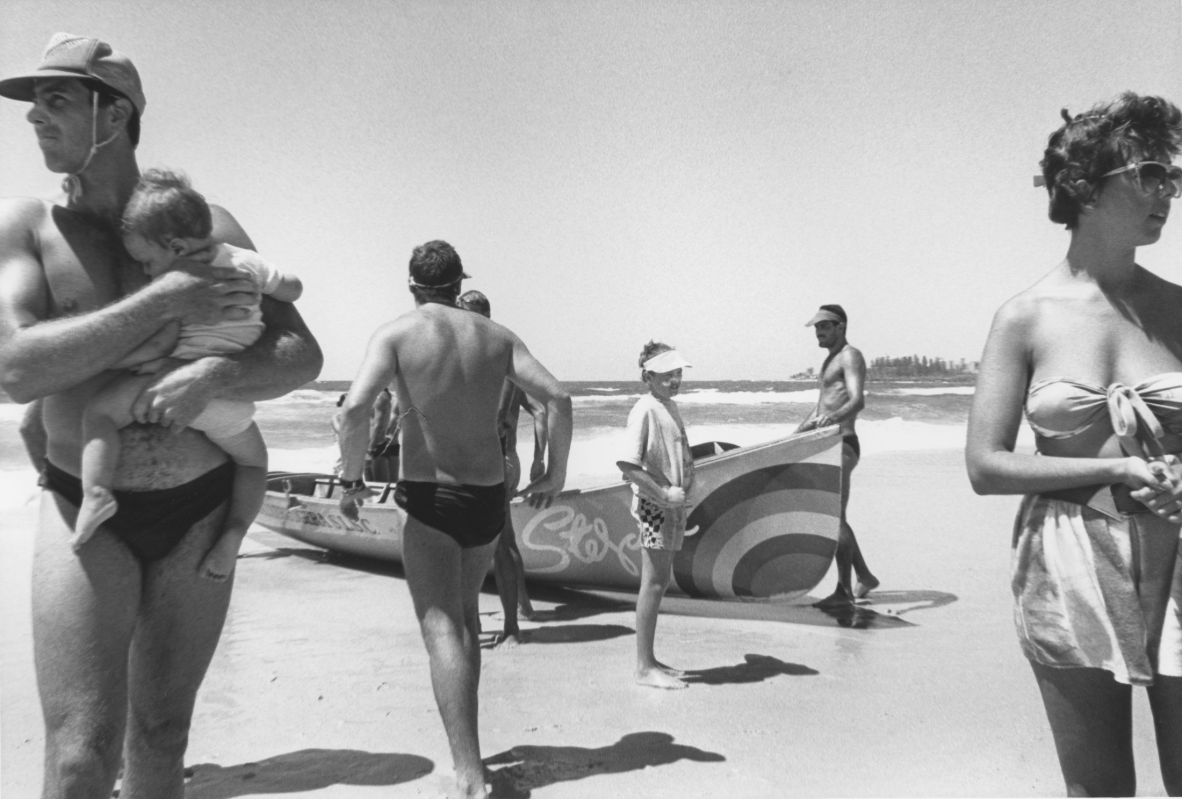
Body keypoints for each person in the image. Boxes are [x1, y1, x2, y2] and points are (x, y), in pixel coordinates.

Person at [0, 33, 322, 799]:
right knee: (80, 757)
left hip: (199, 509)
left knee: (162, 736)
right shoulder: (30, 228)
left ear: (115, 113)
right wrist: (166, 298)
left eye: (56, 100)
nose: (33, 119)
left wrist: (221, 370)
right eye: (31, 105)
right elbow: (13, 368)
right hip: (85, 503)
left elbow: (302, 353)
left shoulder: (207, 224)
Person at [966, 92, 1182, 796]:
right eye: (1149, 172)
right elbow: (986, 464)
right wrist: (1114, 464)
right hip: (1067, 564)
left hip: (1179, 556)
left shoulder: (1180, 308)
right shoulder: (1024, 318)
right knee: (1099, 791)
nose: (1167, 190)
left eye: (1172, 175)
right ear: (1086, 188)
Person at [337, 240, 571, 799]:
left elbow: (352, 409)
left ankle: (469, 775)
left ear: (413, 284)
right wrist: (553, 474)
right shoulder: (496, 337)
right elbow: (557, 398)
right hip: (486, 501)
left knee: (442, 629)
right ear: (457, 281)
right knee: (465, 621)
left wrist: (350, 481)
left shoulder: (395, 334)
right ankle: (472, 756)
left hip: (431, 499)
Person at [74, 168, 304, 582]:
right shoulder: (243, 262)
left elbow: (163, 343)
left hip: (172, 387)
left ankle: (94, 493)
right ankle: (235, 534)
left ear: (177, 246)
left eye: (147, 261)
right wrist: (268, 285)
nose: (146, 272)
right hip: (231, 403)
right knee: (253, 466)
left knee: (99, 415)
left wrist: (122, 362)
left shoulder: (180, 282)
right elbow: (293, 287)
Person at [457, 289, 547, 647]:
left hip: (483, 460)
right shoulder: (507, 359)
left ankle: (486, 625)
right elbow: (542, 409)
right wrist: (541, 459)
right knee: (503, 541)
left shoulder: (470, 359)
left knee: (473, 544)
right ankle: (519, 611)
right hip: (509, 461)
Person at [616, 341, 695, 690]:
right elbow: (627, 465)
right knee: (653, 583)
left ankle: (650, 659)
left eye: (678, 373)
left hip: (671, 507)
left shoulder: (668, 406)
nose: (675, 379)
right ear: (648, 377)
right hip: (655, 507)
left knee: (659, 583)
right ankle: (644, 667)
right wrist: (663, 494)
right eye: (667, 374)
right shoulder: (646, 409)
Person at [796, 304, 879, 608]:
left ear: (841, 326)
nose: (818, 332)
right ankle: (865, 576)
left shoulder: (849, 356)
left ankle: (844, 590)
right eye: (816, 328)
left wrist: (832, 421)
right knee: (835, 518)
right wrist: (794, 436)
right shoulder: (830, 360)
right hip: (827, 445)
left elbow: (857, 401)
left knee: (834, 519)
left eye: (825, 327)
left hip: (843, 444)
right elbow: (822, 408)